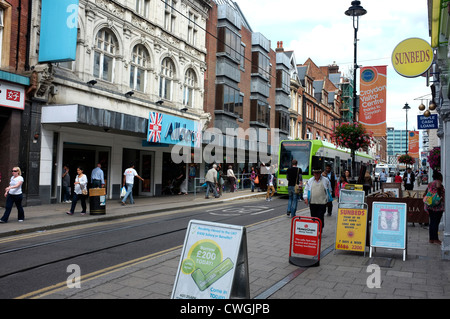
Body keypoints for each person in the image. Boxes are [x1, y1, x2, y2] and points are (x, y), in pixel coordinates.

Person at [424, 171, 445, 244]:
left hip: (430, 205)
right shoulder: (438, 182)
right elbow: (439, 189)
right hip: (437, 207)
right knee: (436, 222)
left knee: (432, 222)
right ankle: (436, 239)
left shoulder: (430, 183)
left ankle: (431, 239)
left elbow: (427, 192)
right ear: (439, 177)